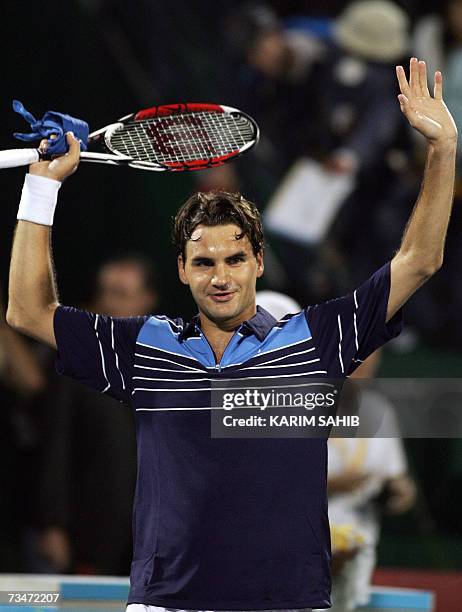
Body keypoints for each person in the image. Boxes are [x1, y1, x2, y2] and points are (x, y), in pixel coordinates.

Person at [6, 58, 457, 611]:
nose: (220, 276)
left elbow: (419, 262)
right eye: (203, 262)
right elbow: (28, 311)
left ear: (259, 263)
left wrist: (442, 151)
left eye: (235, 259)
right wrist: (41, 187)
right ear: (181, 270)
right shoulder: (143, 345)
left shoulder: (314, 340)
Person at [37, 255, 158, 575]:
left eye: (121, 293)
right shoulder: (75, 359)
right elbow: (56, 442)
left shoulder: (165, 359)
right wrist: (52, 523)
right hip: (93, 530)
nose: (108, 302)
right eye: (105, 292)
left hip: (153, 536)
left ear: (147, 299)